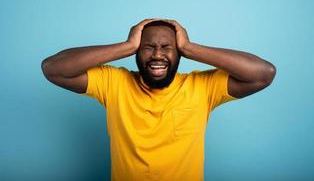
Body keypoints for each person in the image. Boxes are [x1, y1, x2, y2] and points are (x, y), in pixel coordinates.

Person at [41, 18, 276, 181]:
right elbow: (53, 68)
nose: (157, 54)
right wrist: (126, 46)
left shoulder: (202, 87)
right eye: (148, 47)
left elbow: (263, 73)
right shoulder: (113, 83)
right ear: (136, 52)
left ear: (179, 53)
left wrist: (190, 47)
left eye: (167, 47)